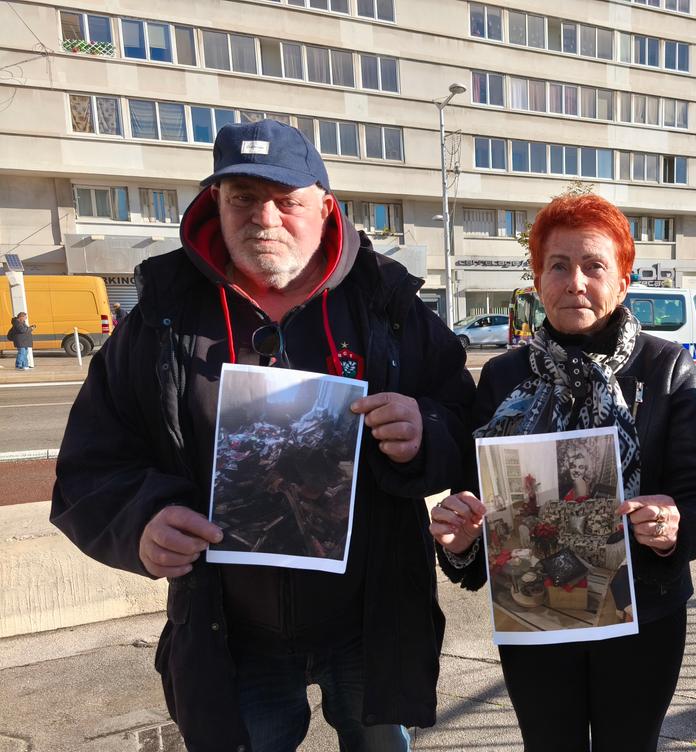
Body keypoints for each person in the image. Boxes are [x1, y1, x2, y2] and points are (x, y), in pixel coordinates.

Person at [50, 120, 475, 752]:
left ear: (325, 207)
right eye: (243, 198)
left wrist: (426, 429)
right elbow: (89, 467)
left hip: (371, 620)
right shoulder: (163, 318)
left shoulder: (388, 307)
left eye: (287, 200)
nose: (264, 218)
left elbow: (467, 422)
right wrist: (143, 521)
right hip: (230, 630)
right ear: (215, 204)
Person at [429, 193, 696, 751]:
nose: (575, 282)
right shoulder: (501, 377)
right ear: (538, 279)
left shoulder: (665, 369)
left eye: (594, 265)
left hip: (642, 616)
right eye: (558, 266)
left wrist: (671, 528)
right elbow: (476, 505)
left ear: (623, 280)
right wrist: (460, 537)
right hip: (533, 611)